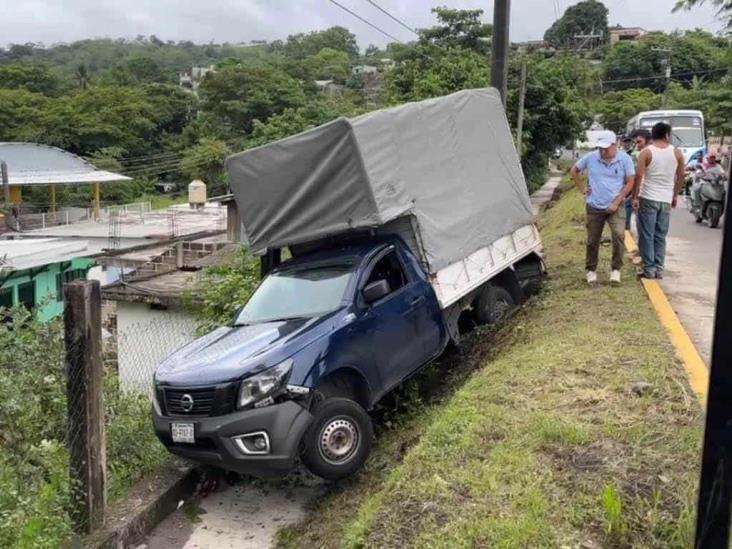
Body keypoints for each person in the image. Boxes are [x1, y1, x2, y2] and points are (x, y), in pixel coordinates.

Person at [570, 130, 635, 285]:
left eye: (606, 148)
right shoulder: (591, 158)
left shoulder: (624, 159)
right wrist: (582, 189)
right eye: (600, 148)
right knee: (593, 240)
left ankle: (616, 270)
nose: (603, 151)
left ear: (615, 145)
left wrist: (617, 202)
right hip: (594, 205)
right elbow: (574, 171)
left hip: (616, 205)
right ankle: (591, 270)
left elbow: (630, 182)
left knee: (619, 235)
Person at [632, 122, 685, 279]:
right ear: (667, 135)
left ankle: (649, 269)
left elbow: (639, 176)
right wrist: (675, 195)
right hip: (666, 199)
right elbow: (681, 175)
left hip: (648, 197)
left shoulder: (646, 152)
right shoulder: (677, 153)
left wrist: (635, 196)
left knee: (647, 234)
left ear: (652, 135)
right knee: (660, 235)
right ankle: (659, 268)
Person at [624, 129, 651, 230]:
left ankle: (626, 228)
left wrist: (635, 195)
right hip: (656, 195)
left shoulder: (643, 154)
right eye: (635, 143)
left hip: (645, 193)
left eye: (639, 142)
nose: (637, 145)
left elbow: (639, 175)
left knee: (645, 229)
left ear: (648, 140)